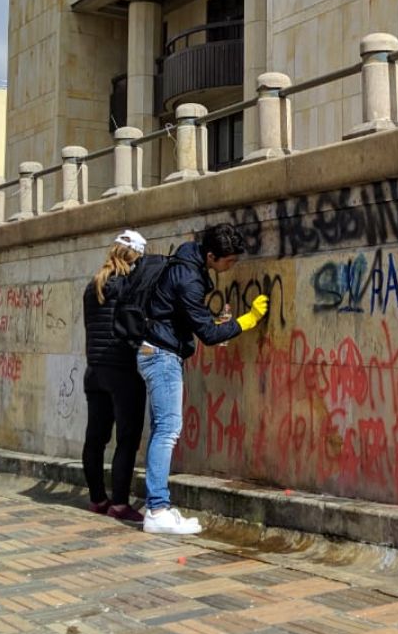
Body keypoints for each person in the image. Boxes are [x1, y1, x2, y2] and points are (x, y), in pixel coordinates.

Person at [134, 223, 268, 534]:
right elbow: (207, 334)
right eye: (229, 261)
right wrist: (246, 321)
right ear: (211, 256)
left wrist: (217, 322)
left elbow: (191, 319)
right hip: (162, 356)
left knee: (162, 430)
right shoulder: (189, 279)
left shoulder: (187, 261)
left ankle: (158, 507)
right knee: (168, 431)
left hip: (157, 351)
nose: (231, 266)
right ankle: (157, 510)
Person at [81, 230, 152, 522]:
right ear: (135, 257)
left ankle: (98, 498)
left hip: (94, 371)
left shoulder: (93, 285)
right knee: (126, 438)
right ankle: (120, 503)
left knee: (95, 438)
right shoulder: (126, 286)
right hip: (121, 370)